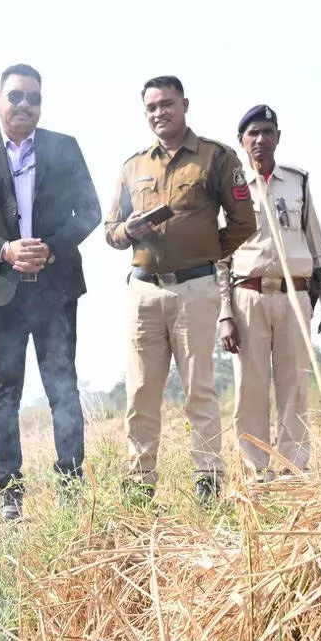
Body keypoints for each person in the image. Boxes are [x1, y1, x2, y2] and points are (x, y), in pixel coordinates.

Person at [0, 63, 100, 520]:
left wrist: (49, 247)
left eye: (33, 97)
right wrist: (5, 249)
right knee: (4, 396)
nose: (24, 105)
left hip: (55, 292)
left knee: (63, 389)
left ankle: (71, 486)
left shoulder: (64, 148)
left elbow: (89, 210)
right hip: (2, 295)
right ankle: (9, 494)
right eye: (15, 96)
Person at [103, 76, 257, 502]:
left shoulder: (215, 158)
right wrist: (127, 231)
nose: (159, 113)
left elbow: (245, 222)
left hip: (196, 289)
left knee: (199, 389)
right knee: (140, 392)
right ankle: (139, 483)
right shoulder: (133, 166)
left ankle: (207, 480)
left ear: (185, 104)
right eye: (151, 107)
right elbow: (110, 229)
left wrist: (206, 252)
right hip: (144, 293)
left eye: (167, 104)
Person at [227, 105, 321, 479]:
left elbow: (317, 247)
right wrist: (224, 314)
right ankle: (256, 470)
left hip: (296, 296)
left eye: (267, 132)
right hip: (248, 295)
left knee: (295, 384)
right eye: (252, 134)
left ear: (278, 137)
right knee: (251, 389)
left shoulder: (298, 183)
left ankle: (294, 468)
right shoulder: (231, 186)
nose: (260, 140)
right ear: (242, 142)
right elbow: (219, 257)